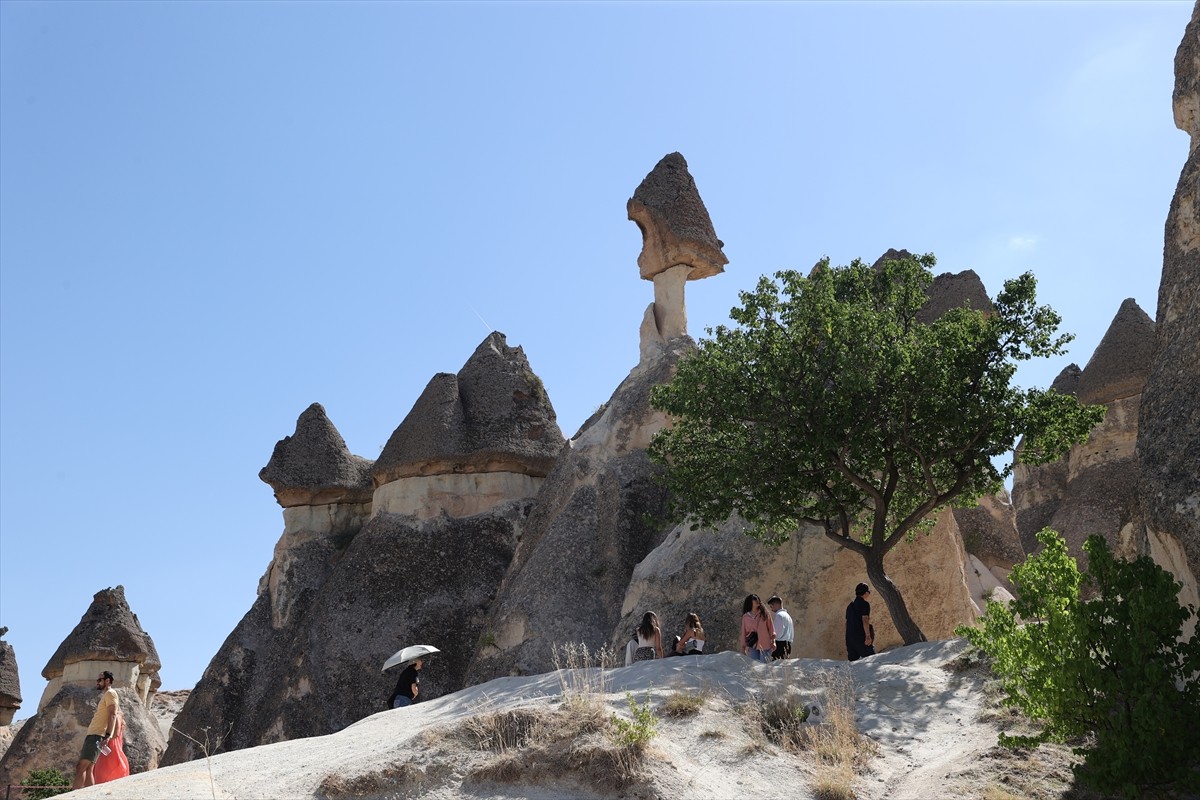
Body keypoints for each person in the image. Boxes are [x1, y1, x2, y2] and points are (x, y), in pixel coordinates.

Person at [72, 670, 119, 790]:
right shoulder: (107, 695)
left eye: (99, 680)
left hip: (97, 735)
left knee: (81, 767)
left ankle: (73, 795)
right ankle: (90, 795)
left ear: (107, 680)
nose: (97, 682)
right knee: (88, 768)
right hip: (95, 734)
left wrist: (108, 735)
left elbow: (113, 714)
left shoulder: (110, 693)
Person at [93, 704, 130, 784]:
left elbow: (116, 734)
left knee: (104, 771)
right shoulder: (118, 716)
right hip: (114, 747)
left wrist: (105, 738)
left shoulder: (116, 717)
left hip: (111, 747)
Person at [845, 583, 876, 662]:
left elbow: (847, 623)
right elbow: (865, 619)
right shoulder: (864, 604)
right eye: (868, 592)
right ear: (865, 593)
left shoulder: (850, 606)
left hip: (849, 638)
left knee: (853, 663)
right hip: (860, 637)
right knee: (872, 660)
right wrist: (868, 636)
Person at [741, 594, 776, 664]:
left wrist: (773, 641)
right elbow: (744, 632)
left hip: (765, 644)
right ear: (750, 602)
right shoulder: (745, 617)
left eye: (758, 598)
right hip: (752, 645)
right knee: (754, 666)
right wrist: (743, 647)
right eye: (754, 599)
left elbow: (771, 628)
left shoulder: (765, 614)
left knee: (764, 666)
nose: (757, 600)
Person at [768, 595, 794, 660]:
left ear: (775, 604)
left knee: (776, 665)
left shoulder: (779, 615)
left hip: (780, 645)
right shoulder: (788, 616)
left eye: (771, 606)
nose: (771, 609)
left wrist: (772, 639)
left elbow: (777, 632)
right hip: (788, 644)